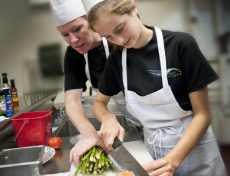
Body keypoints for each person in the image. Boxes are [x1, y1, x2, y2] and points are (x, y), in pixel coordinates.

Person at [87, 0, 228, 175]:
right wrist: (107, 117)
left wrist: (172, 160)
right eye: (108, 37)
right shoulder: (117, 60)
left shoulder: (181, 45)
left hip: (196, 153)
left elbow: (203, 115)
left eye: (119, 29)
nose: (119, 40)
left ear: (133, 8)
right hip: (153, 153)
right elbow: (99, 103)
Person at [49, 0, 141, 167]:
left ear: (91, 22)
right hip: (133, 120)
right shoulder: (74, 55)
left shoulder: (120, 41)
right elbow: (72, 101)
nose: (73, 40)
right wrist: (90, 134)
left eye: (77, 29)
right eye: (65, 34)